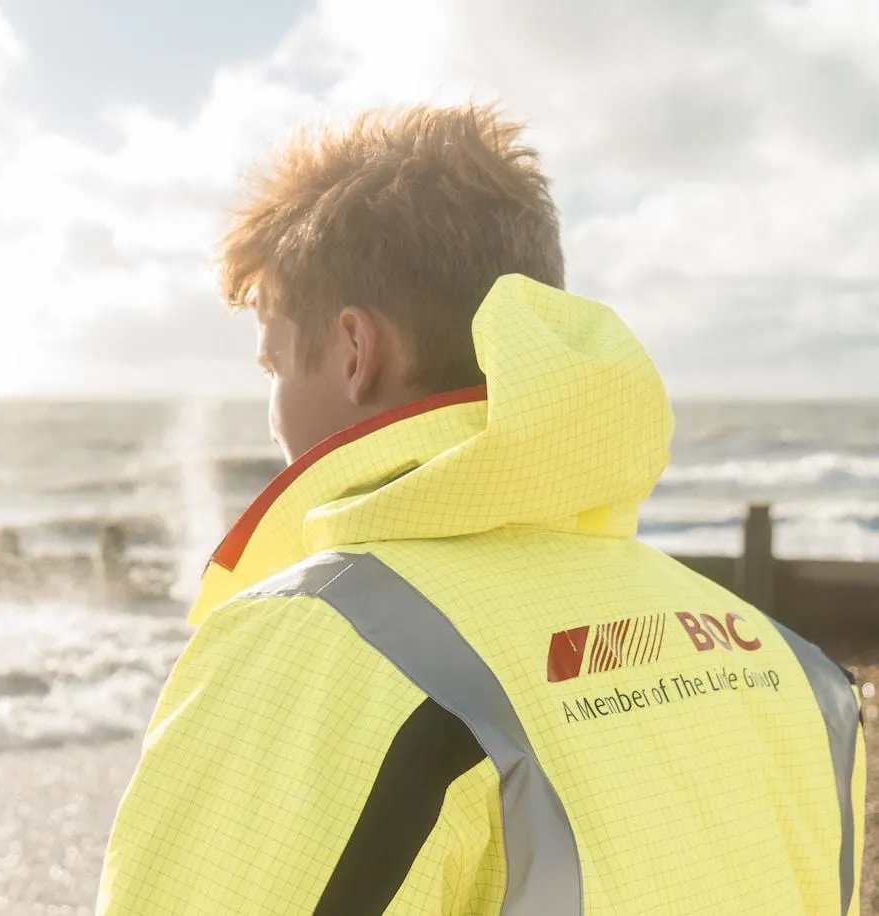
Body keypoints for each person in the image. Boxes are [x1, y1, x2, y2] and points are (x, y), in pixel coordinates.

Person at [98, 103, 865, 914]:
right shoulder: (790, 669)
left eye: (275, 365)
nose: (275, 409)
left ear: (356, 352)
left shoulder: (318, 644)